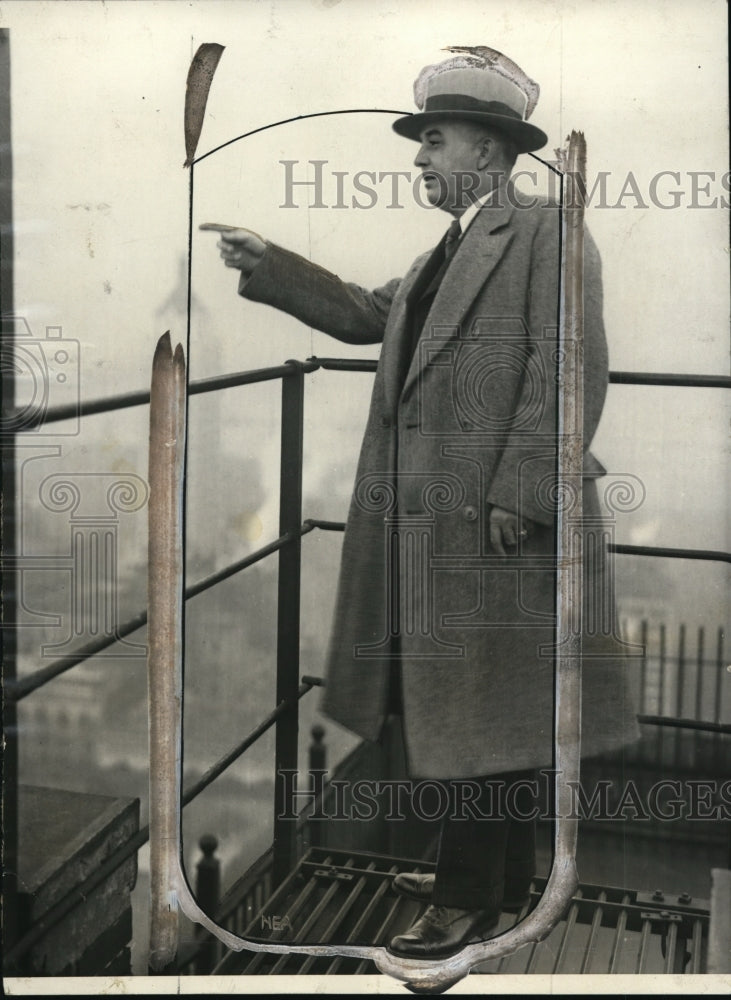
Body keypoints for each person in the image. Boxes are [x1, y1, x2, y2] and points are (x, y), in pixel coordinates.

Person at [212, 48, 638, 958]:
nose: (418, 161)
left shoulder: (547, 232)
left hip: (495, 522)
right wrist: (271, 263)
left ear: (486, 151)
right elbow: (372, 313)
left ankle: (463, 904)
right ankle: (483, 879)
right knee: (467, 704)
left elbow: (568, 369)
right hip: (440, 521)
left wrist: (520, 494)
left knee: (486, 714)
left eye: (432, 142)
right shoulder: (450, 248)